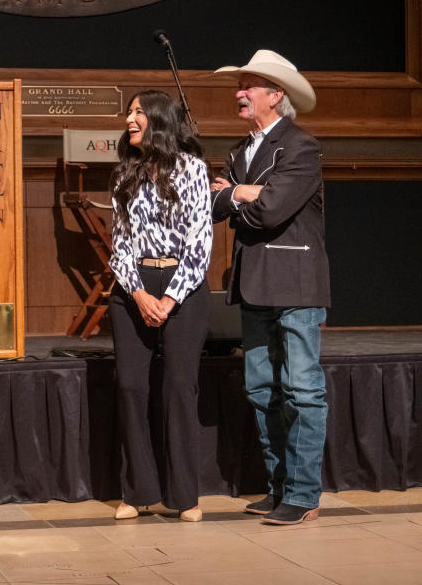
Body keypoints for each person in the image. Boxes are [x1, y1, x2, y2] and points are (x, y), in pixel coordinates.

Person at [210, 50, 331, 525]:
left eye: (250, 85)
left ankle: (303, 495)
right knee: (262, 389)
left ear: (275, 95)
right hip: (255, 283)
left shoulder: (301, 146)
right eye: (240, 85)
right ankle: (280, 487)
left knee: (302, 390)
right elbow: (217, 206)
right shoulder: (240, 151)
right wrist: (244, 194)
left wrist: (238, 192)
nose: (240, 93)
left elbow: (273, 210)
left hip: (296, 283)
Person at [107, 90, 212, 522]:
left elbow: (200, 243)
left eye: (137, 113)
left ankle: (185, 496)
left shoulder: (193, 169)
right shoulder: (124, 174)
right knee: (131, 387)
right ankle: (138, 492)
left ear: (159, 120)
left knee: (178, 388)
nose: (129, 119)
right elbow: (119, 242)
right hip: (133, 288)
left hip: (181, 288)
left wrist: (167, 299)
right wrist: (138, 293)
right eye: (129, 112)